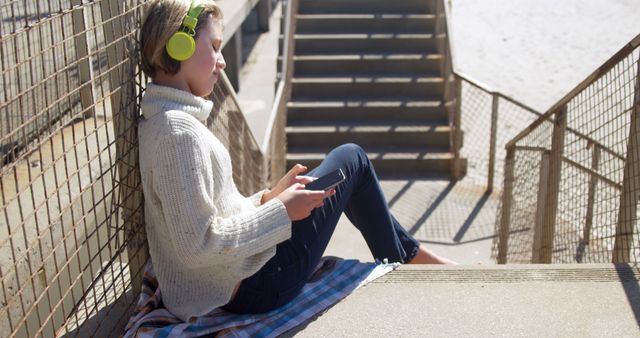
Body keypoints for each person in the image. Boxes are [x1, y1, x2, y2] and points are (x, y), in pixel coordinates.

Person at [138, 0, 456, 322]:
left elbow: (212, 217)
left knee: (346, 164)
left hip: (238, 278)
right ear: (180, 46)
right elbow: (199, 244)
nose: (221, 62)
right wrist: (281, 211)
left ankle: (410, 256)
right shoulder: (177, 134)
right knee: (353, 159)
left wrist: (268, 198)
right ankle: (407, 265)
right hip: (256, 286)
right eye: (215, 47)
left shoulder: (166, 122)